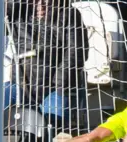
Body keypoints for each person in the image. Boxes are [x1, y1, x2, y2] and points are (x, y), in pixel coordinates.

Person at [5, 0, 87, 130]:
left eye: (45, 1)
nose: (40, 5)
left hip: (55, 88)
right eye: (35, 1)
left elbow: (76, 51)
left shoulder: (69, 14)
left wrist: (59, 83)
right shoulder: (18, 13)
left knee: (51, 127)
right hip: (21, 86)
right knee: (0, 107)